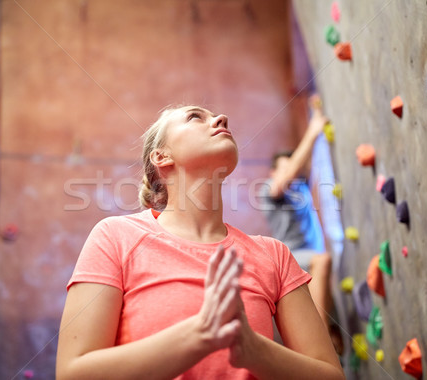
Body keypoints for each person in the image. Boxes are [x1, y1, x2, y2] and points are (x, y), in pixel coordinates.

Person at [56, 105, 344, 379]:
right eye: (195, 117)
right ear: (161, 157)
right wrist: (199, 334)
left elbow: (331, 376)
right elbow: (73, 373)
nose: (221, 118)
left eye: (215, 115)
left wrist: (254, 350)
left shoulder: (274, 255)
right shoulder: (116, 237)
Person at [258, 96, 342, 353]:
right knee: (323, 260)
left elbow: (304, 165)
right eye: (285, 169)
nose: (291, 174)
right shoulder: (268, 190)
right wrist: (314, 129)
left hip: (307, 256)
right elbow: (293, 170)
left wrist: (315, 111)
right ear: (274, 173)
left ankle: (326, 339)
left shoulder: (298, 187)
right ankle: (318, 333)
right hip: (290, 257)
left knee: (338, 334)